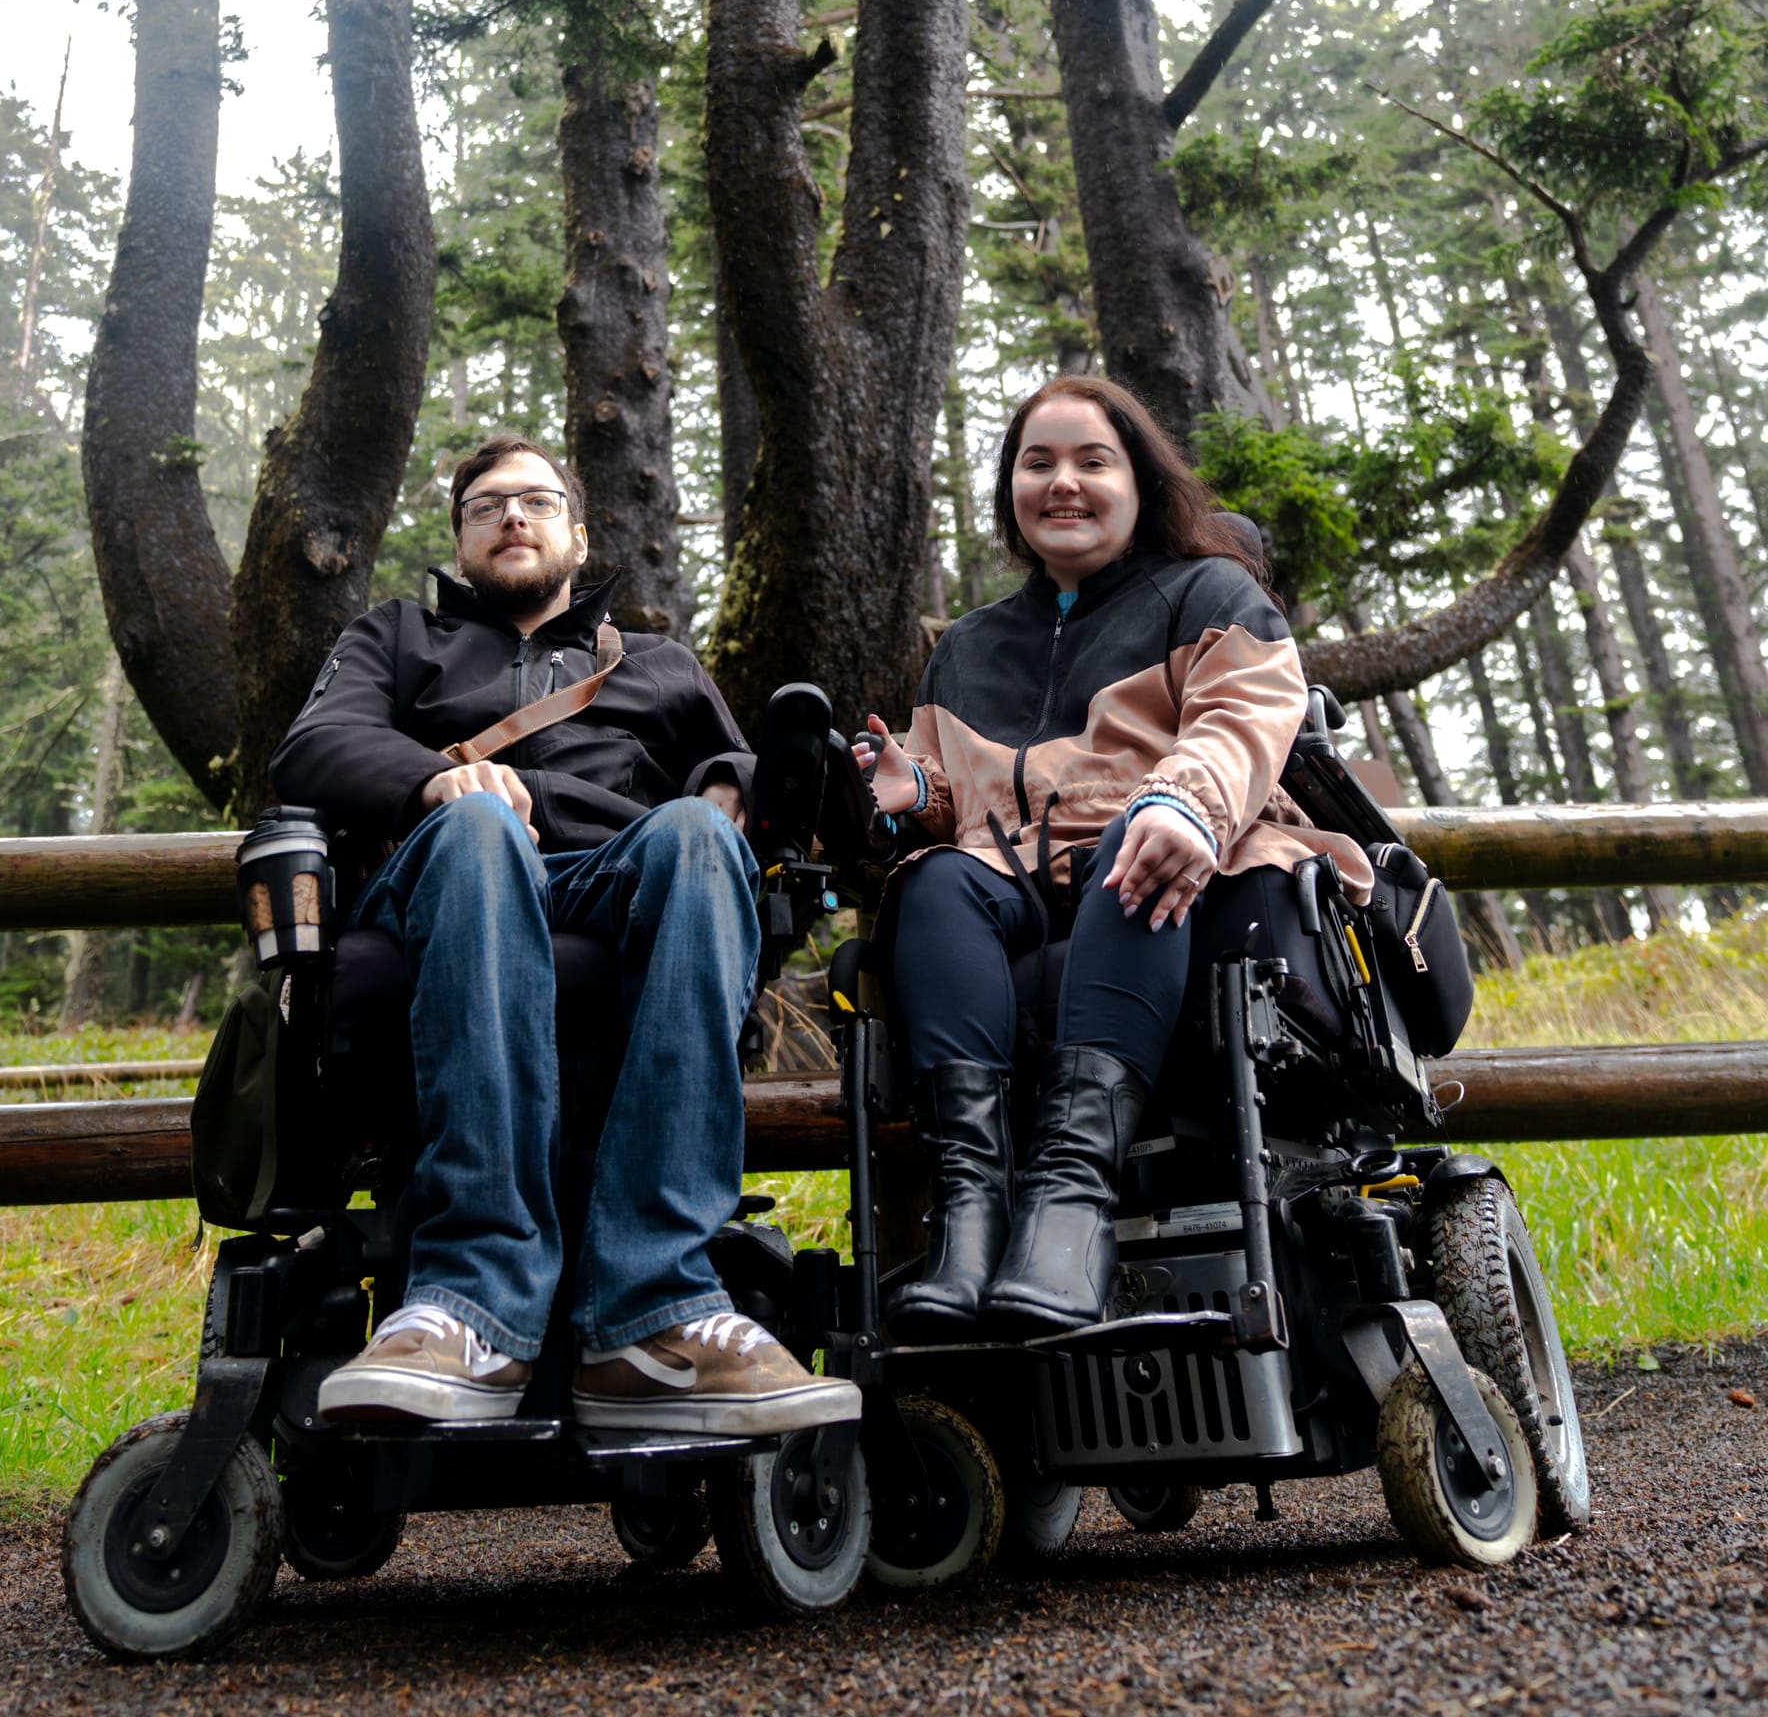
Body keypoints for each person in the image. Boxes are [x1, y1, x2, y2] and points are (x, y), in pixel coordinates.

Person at [271, 428, 858, 1441]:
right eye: (487, 504)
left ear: (578, 539)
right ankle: (469, 1304)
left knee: (691, 838)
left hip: (612, 880)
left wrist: (733, 782)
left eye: (537, 502)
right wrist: (431, 779)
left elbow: (753, 787)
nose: (511, 515)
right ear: (459, 542)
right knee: (478, 829)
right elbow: (315, 745)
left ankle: (655, 1310)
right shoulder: (398, 636)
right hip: (449, 874)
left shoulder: (661, 666)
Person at [857, 375, 1374, 1339]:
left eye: (1093, 461)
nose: (1064, 483)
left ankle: (1070, 1200)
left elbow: (1243, 720)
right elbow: (959, 800)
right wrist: (916, 795)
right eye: (1037, 462)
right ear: (1009, 489)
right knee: (930, 886)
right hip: (1013, 878)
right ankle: (970, 1212)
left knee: (1137, 848)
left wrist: (1185, 802)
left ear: (1139, 481)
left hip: (1174, 855)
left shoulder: (1209, 594)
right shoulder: (963, 648)